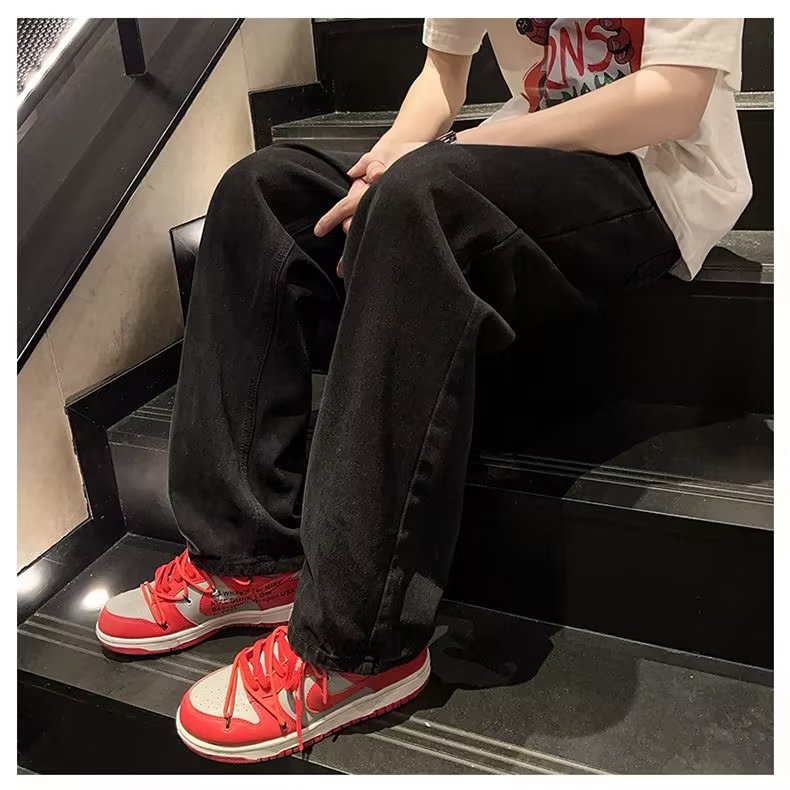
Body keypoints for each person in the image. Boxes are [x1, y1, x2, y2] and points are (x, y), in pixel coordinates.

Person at [95, 18, 751, 762]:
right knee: (263, 191)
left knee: (420, 197)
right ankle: (246, 558)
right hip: (514, 155)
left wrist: (444, 159)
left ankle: (355, 648)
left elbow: (673, 99)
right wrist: (381, 167)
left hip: (653, 176)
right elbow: (442, 76)